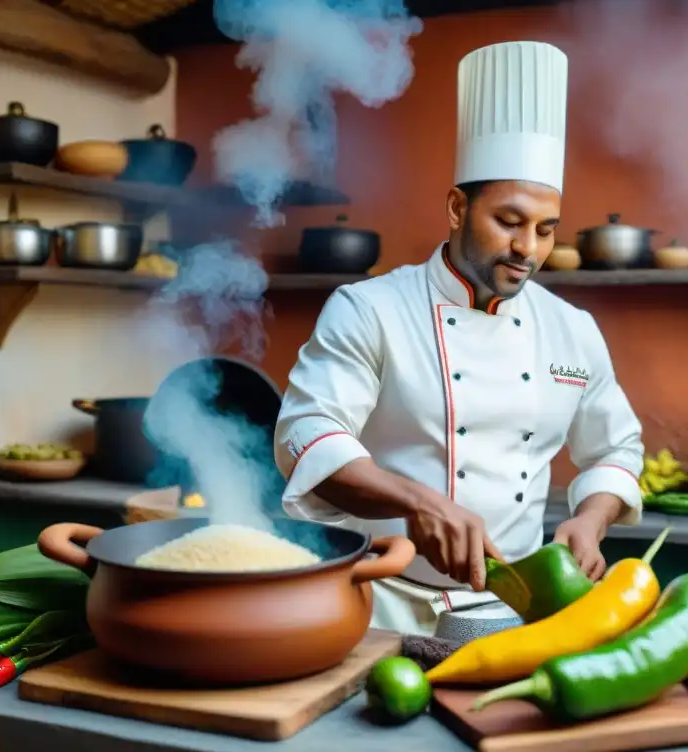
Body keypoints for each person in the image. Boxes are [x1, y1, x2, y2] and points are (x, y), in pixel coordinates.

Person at [273, 40, 645, 636]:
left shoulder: (572, 330)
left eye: (546, 230)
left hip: (509, 609)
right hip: (374, 602)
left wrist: (592, 518)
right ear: (456, 207)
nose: (528, 249)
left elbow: (615, 450)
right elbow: (305, 436)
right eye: (509, 221)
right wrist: (417, 501)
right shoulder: (369, 309)